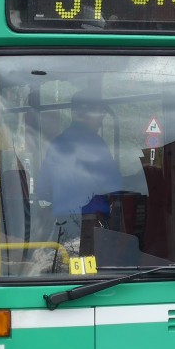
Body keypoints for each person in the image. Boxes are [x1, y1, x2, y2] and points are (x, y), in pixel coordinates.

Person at [37, 91, 123, 248]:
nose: (102, 119)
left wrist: (63, 197)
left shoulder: (57, 144)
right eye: (99, 112)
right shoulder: (95, 144)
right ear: (84, 114)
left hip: (63, 226)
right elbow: (116, 187)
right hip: (92, 226)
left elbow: (42, 190)